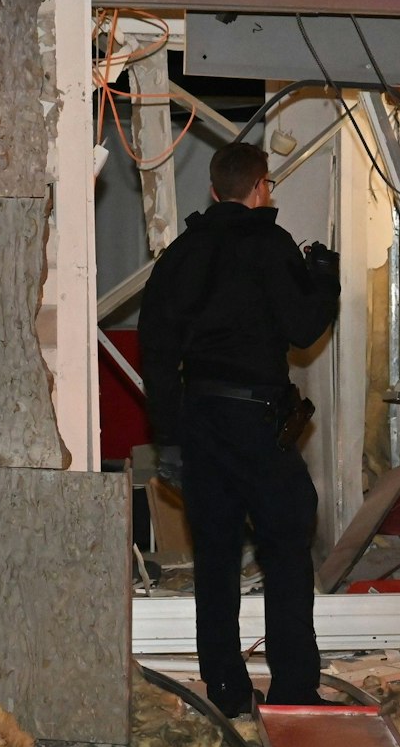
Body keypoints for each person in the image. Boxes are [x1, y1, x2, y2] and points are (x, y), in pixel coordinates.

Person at [138, 141, 341, 716]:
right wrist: (323, 277)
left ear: (212, 190)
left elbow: (156, 351)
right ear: (260, 188)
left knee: (217, 556)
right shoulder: (268, 243)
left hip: (201, 419)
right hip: (256, 417)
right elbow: (303, 329)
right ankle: (295, 689)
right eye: (268, 187)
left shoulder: (180, 253)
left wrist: (171, 435)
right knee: (284, 546)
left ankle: (226, 691)